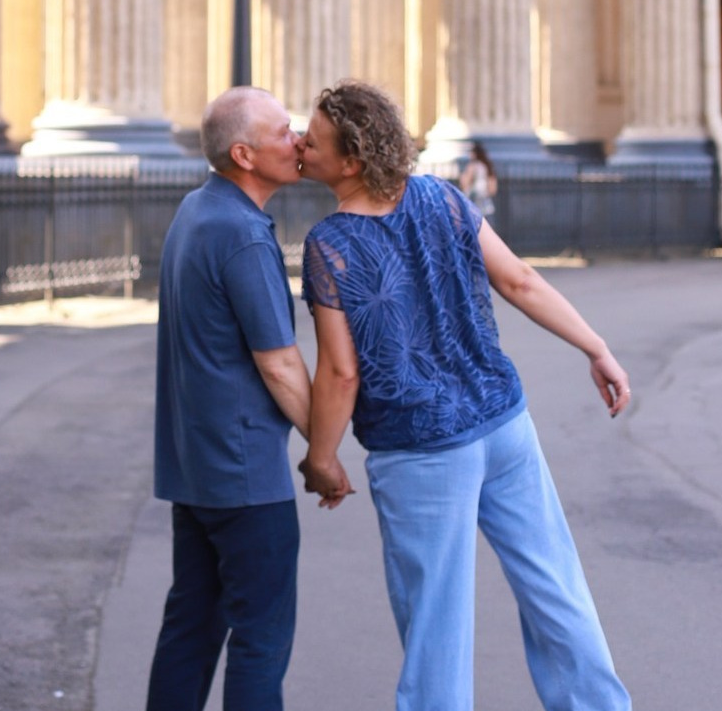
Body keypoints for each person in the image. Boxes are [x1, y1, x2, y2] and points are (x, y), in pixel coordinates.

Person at [297, 80, 632, 711]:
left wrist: (322, 457)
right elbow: (521, 281)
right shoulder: (442, 200)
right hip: (504, 424)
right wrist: (596, 347)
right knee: (556, 590)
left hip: (422, 451)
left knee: (436, 630)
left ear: (350, 162)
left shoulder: (330, 245)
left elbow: (340, 374)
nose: (299, 146)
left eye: (311, 141)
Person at [147, 86, 329, 711]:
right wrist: (323, 452)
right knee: (261, 640)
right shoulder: (245, 236)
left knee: (191, 629)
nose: (298, 139)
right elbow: (279, 364)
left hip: (195, 468)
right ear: (246, 154)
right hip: (246, 475)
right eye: (283, 131)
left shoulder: (195, 212)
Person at [459, 140, 497, 217]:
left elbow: (464, 184)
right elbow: (493, 189)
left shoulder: (473, 166)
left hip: (474, 204)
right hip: (486, 205)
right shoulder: (487, 167)